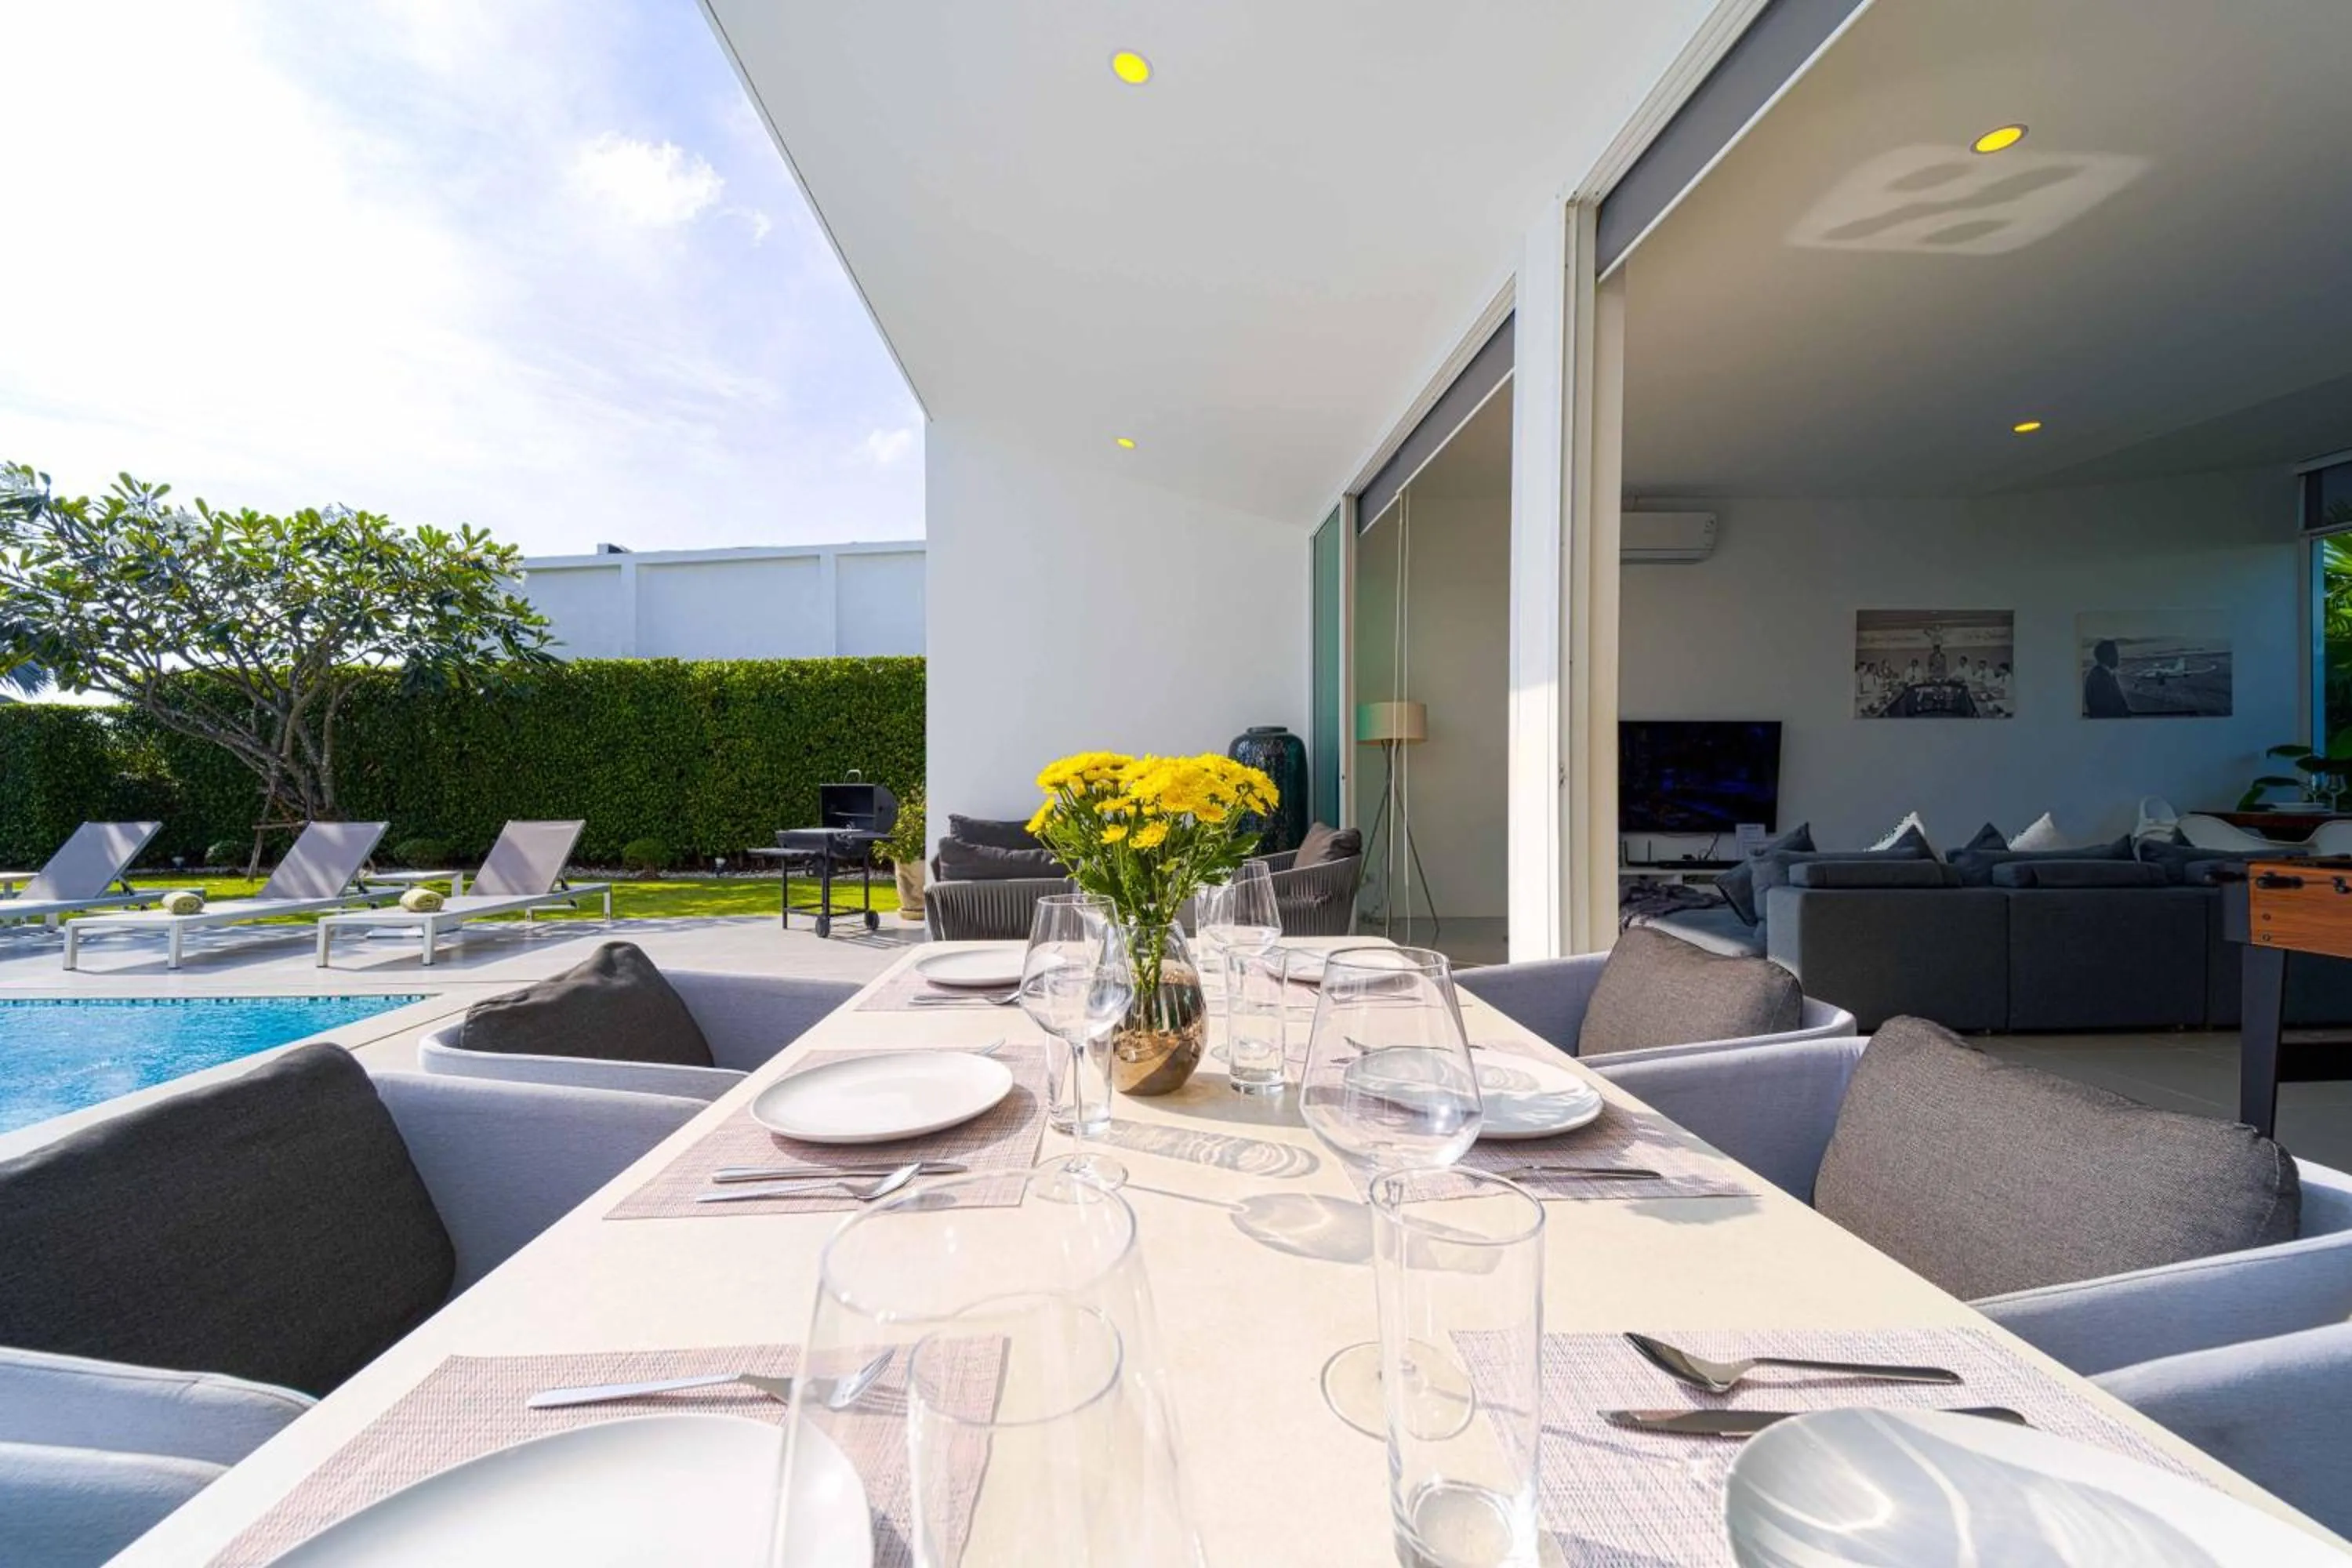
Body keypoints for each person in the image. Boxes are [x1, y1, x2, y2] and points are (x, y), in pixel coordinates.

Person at [2085, 639, 2132, 717]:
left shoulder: (2100, 675)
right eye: (2115, 654)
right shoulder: (2100, 679)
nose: (2118, 657)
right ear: (2108, 656)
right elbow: (2110, 710)